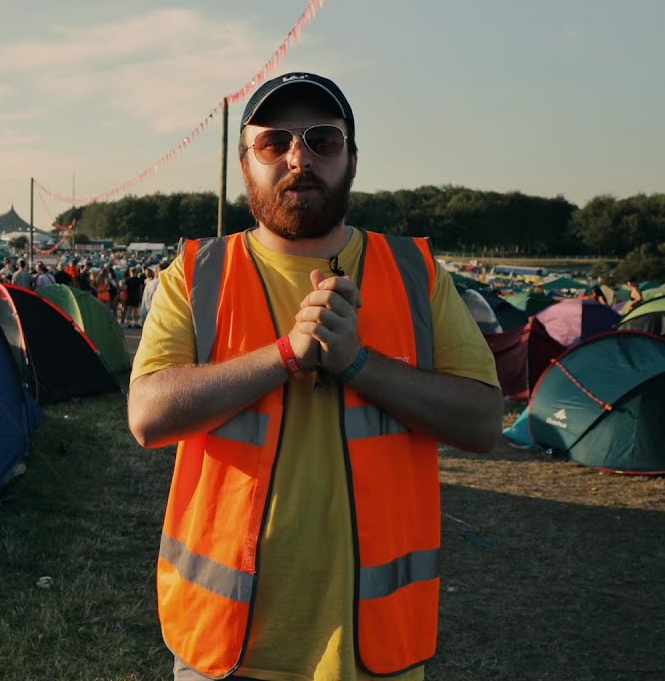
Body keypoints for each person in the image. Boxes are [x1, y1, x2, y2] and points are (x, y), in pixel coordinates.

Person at [128, 72, 502, 681]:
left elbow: (484, 422)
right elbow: (147, 414)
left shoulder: (415, 272)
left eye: (323, 140)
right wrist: (286, 354)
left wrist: (356, 361)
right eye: (274, 142)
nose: (299, 157)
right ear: (245, 163)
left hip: (374, 649)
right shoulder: (196, 273)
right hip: (225, 644)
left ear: (352, 157)